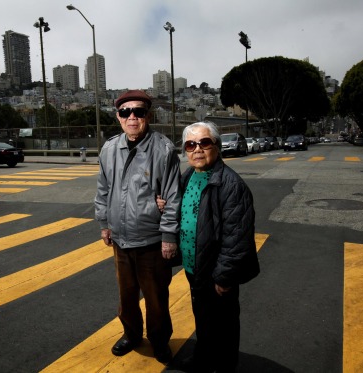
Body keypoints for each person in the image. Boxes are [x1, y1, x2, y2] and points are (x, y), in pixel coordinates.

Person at [159, 121, 260, 372]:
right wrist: (165, 205)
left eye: (204, 143)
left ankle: (224, 365)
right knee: (202, 318)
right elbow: (182, 210)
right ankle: (203, 357)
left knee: (224, 324)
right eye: (190, 145)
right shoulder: (189, 176)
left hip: (217, 271)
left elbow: (237, 237)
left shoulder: (231, 185)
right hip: (195, 267)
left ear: (216, 146)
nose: (197, 149)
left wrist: (225, 276)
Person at [94, 89, 182, 363]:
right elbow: (103, 189)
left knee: (156, 299)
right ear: (118, 117)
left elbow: (173, 195)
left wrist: (168, 236)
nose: (132, 117)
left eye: (139, 112)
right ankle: (131, 335)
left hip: (152, 241)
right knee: (127, 296)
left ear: (148, 116)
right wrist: (104, 223)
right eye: (126, 112)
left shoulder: (163, 149)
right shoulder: (109, 148)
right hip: (120, 240)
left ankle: (159, 341)